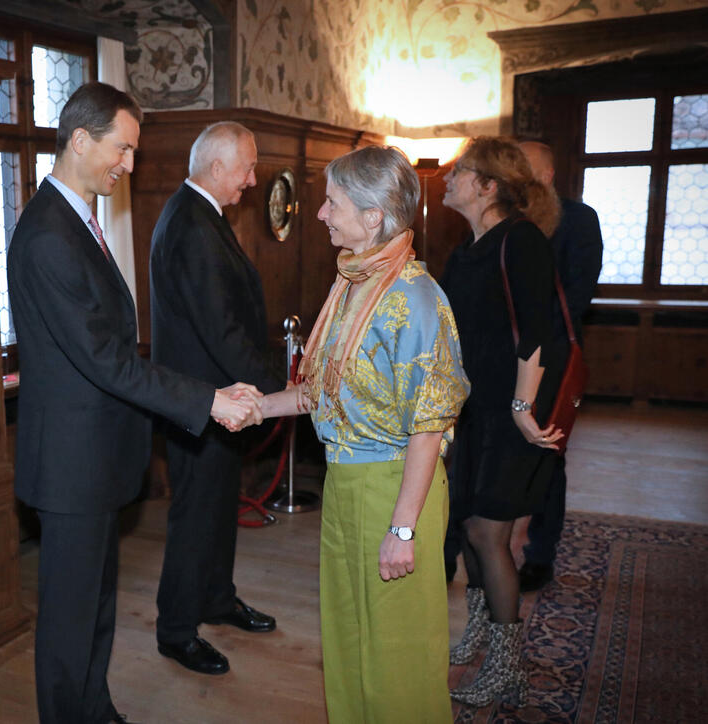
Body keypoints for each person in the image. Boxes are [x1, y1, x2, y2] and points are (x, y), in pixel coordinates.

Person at [6, 82, 263, 724]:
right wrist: (206, 398)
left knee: (95, 609)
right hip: (71, 465)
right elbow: (106, 360)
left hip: (96, 458)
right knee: (69, 625)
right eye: (122, 149)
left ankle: (96, 710)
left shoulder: (77, 221)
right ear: (81, 139)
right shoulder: (46, 234)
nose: (129, 164)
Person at [260, 145, 469, 722]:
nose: (322, 214)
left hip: (397, 489)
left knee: (399, 657)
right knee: (349, 642)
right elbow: (323, 391)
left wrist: (402, 528)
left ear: (374, 217)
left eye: (332, 202)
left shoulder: (414, 297)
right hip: (345, 486)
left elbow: (428, 427)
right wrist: (256, 407)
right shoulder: (353, 282)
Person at [149, 122, 285, 676]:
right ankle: (176, 630)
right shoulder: (193, 224)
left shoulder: (201, 214)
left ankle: (216, 598)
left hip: (219, 401)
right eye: (247, 168)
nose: (253, 181)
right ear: (216, 167)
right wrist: (279, 391)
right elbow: (221, 330)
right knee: (195, 517)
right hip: (201, 403)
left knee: (217, 510)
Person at [439, 136, 567, 707]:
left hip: (513, 414)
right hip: (472, 412)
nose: (447, 176)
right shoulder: (464, 249)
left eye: (460, 170)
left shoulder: (521, 240)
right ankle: (479, 632)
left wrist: (521, 407)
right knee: (468, 524)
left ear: (488, 185)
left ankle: (507, 664)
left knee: (491, 533)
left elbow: (538, 330)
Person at [516, 140, 604, 592]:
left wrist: (527, 339)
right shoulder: (504, 219)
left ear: (547, 176)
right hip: (503, 358)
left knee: (547, 455)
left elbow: (576, 294)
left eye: (524, 169)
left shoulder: (579, 220)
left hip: (551, 357)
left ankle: (540, 554)